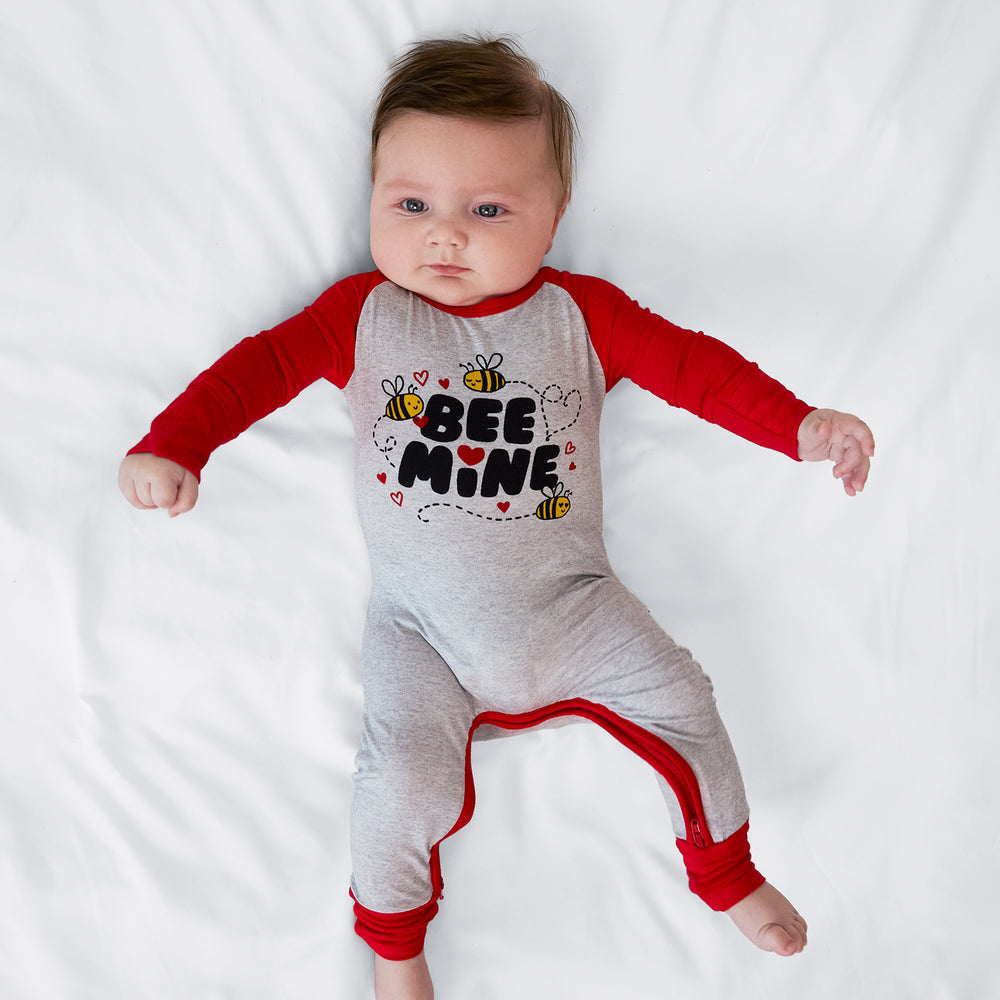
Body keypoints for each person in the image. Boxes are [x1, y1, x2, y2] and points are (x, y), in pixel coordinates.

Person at [118, 35, 874, 999]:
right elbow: (255, 370)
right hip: (419, 631)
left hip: (575, 606)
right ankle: (395, 950)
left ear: (554, 216)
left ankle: (727, 873)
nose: (445, 235)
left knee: (686, 699)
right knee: (396, 784)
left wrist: (798, 425)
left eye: (487, 209)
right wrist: (176, 444)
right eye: (411, 205)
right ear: (375, 201)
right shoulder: (363, 317)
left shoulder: (583, 316)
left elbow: (697, 368)